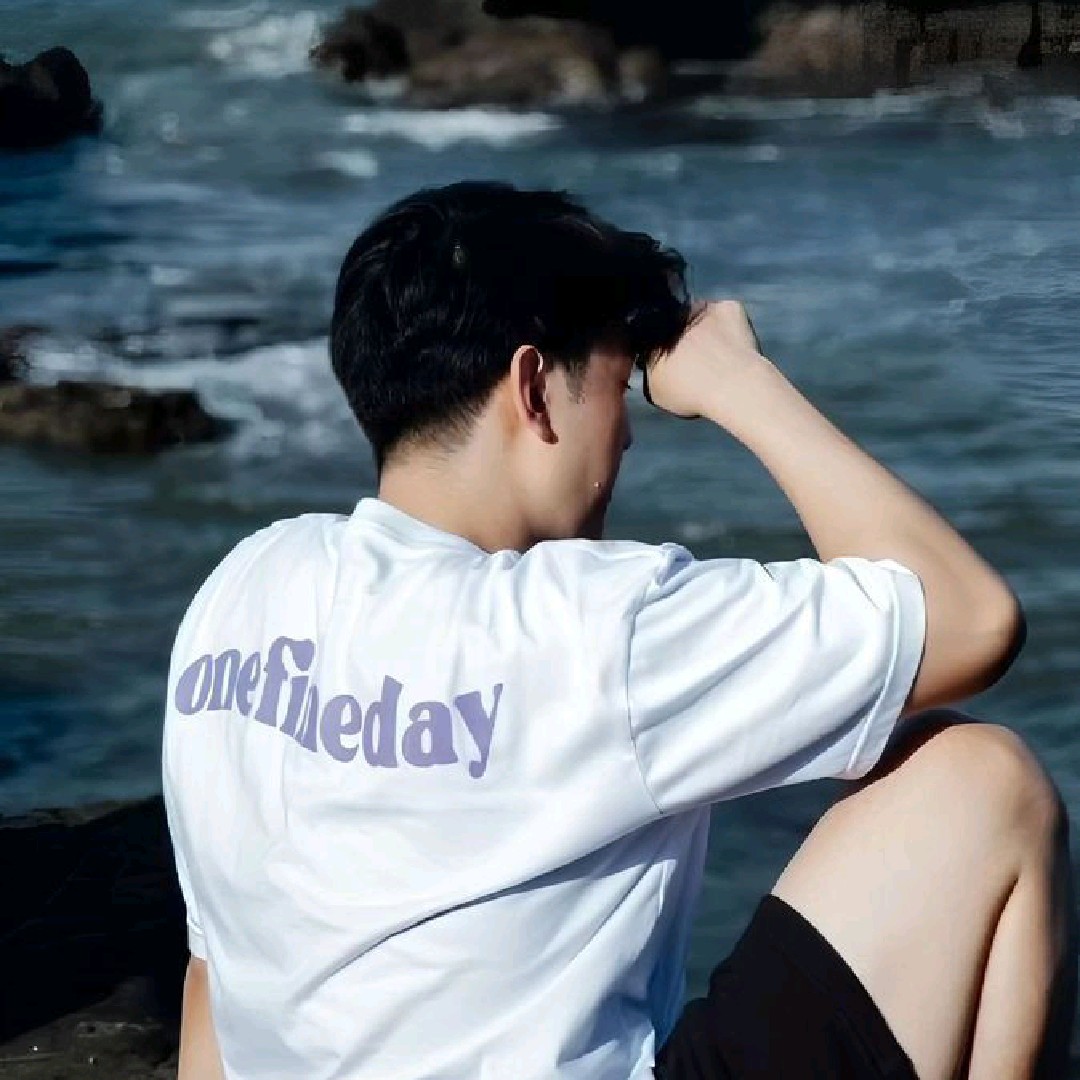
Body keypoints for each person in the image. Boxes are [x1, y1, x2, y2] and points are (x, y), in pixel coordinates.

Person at [163, 181, 1075, 1080]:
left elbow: (216, 971)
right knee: (981, 777)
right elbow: (972, 618)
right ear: (533, 388)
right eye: (615, 389)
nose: (627, 439)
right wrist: (740, 385)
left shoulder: (246, 584)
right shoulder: (592, 624)